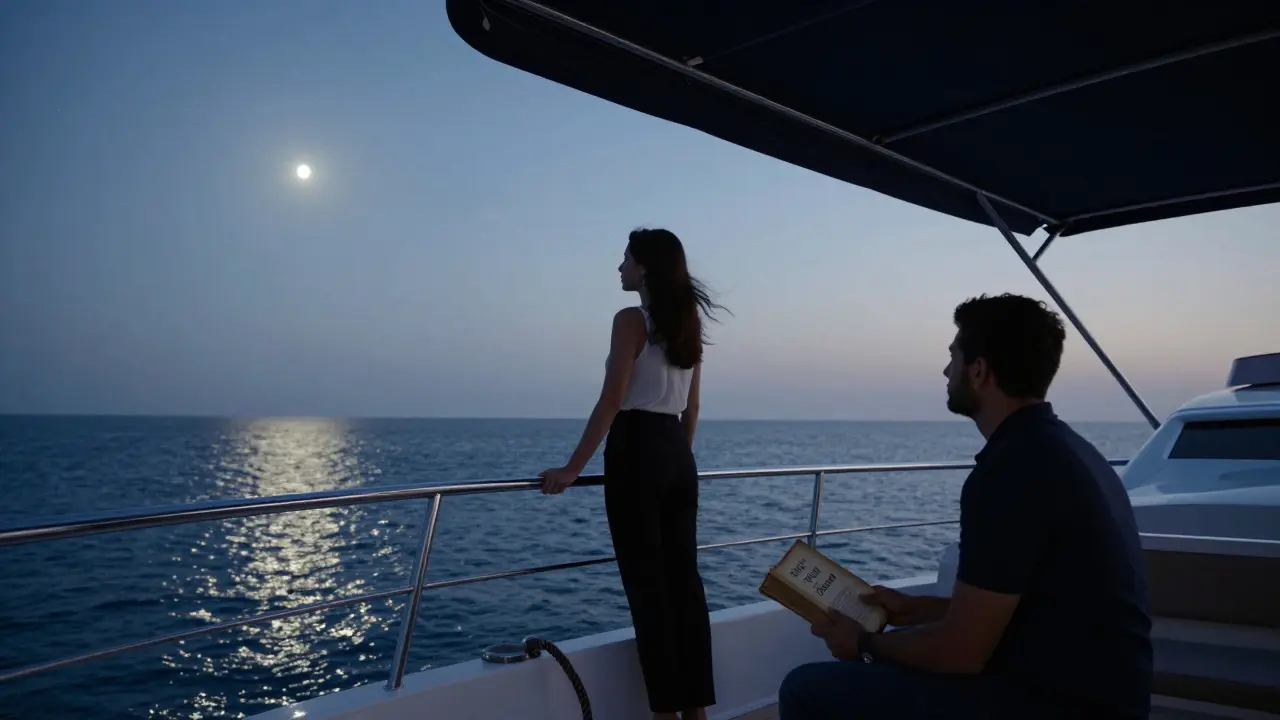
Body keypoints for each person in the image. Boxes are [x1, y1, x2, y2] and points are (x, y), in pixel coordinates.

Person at [779, 293, 1153, 720]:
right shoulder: (1071, 451)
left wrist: (863, 645)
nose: (945, 370)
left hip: (1052, 701)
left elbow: (963, 653)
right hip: (1100, 693)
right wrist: (916, 611)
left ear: (978, 371)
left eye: (953, 356)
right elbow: (1032, 610)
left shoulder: (1011, 471)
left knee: (807, 689)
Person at [539, 228, 727, 720]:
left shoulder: (630, 320)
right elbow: (693, 407)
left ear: (644, 267)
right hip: (676, 455)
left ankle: (665, 713)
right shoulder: (687, 324)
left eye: (625, 259)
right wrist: (674, 462)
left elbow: (612, 400)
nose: (619, 267)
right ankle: (696, 715)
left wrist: (572, 468)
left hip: (638, 452)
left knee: (649, 591)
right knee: (684, 587)